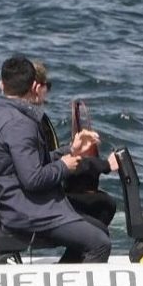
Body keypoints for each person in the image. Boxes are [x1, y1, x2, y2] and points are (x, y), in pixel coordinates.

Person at [0, 55, 111, 263]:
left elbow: (28, 162)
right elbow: (32, 178)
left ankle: (63, 278)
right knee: (100, 243)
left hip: (17, 205)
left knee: (99, 229)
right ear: (34, 86)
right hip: (29, 213)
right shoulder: (20, 124)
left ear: (1, 85)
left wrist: (70, 149)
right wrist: (64, 166)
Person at [31, 60, 119, 227]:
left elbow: (44, 159)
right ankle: (82, 252)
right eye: (47, 85)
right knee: (105, 204)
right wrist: (105, 165)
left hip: (34, 197)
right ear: (37, 87)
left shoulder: (27, 120)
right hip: (40, 203)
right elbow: (42, 167)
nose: (47, 91)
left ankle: (78, 251)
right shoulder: (32, 123)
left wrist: (72, 149)